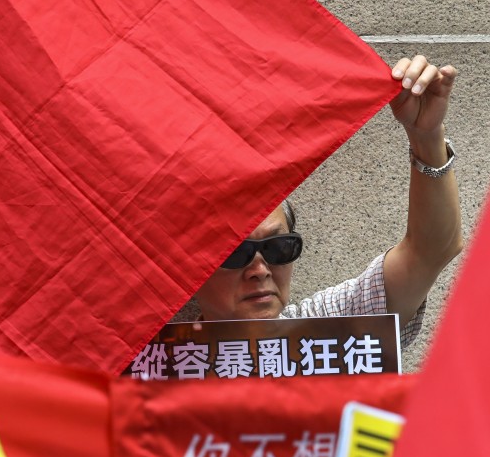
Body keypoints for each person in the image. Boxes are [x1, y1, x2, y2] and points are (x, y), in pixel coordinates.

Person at [193, 55, 462, 347]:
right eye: (234, 253)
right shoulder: (151, 363)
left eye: (279, 248)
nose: (260, 271)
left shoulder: (327, 333)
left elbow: (430, 251)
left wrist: (426, 137)